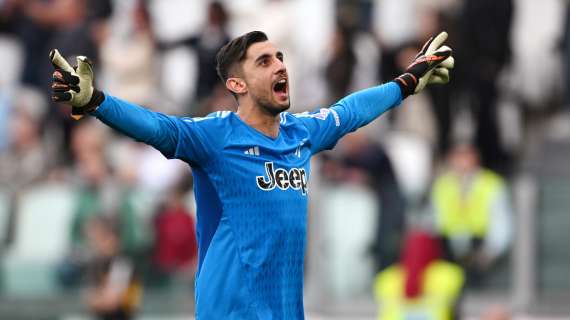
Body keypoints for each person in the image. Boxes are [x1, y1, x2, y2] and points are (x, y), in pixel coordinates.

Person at [49, 30, 454, 319]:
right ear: (237, 83)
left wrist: (408, 80)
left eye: (280, 58)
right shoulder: (214, 136)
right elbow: (156, 127)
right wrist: (97, 102)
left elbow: (350, 112)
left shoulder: (301, 133)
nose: (280, 66)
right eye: (265, 61)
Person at [430, 142, 513, 287]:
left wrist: (491, 251)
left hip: (479, 247)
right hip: (448, 248)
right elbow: (433, 218)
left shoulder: (491, 184)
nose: (461, 162)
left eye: (465, 157)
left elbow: (501, 220)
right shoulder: (442, 185)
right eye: (457, 157)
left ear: (475, 159)